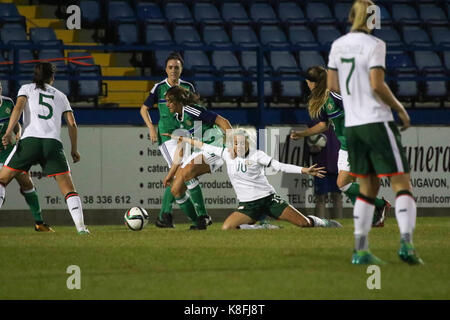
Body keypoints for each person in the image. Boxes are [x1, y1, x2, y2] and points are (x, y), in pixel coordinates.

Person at [327, 0, 422, 264]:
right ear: (373, 20)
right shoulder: (375, 45)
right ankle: (406, 246)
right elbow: (377, 84)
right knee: (401, 181)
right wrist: (400, 108)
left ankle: (361, 250)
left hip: (353, 127)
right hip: (376, 122)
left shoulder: (337, 46)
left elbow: (333, 85)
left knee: (368, 186)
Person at [163, 128, 342, 230]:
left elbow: (279, 166)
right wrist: (181, 138)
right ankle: (260, 226)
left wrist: (304, 170)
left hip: (269, 199)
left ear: (248, 143)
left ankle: (323, 222)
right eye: (236, 143)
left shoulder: (257, 155)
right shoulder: (226, 154)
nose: (239, 146)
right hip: (248, 205)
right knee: (227, 228)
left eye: (242, 142)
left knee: (304, 224)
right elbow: (202, 145)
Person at [291, 66, 390, 226]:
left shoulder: (335, 94)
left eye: (308, 82)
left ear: (313, 83)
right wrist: (302, 134)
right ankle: (374, 218)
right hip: (345, 146)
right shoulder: (323, 100)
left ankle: (380, 205)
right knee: (345, 185)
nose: (307, 85)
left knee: (342, 184)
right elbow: (323, 125)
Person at [0, 62, 89, 235]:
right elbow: (72, 124)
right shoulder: (61, 96)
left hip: (29, 142)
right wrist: (74, 149)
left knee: (2, 180)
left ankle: (40, 222)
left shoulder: (26, 89)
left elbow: (17, 109)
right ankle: (81, 228)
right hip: (52, 144)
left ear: (35, 76)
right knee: (69, 189)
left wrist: (9, 131)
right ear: (52, 78)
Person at [140, 52, 209, 228]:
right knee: (181, 173)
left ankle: (166, 216)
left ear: (181, 69)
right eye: (170, 67)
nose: (173, 70)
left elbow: (198, 113)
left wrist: (199, 138)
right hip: (167, 136)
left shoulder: (187, 86)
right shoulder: (159, 87)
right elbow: (143, 109)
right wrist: (151, 127)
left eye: (176, 67)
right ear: (165, 69)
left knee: (182, 174)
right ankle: (199, 216)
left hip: (185, 136)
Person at [162, 85, 232, 230]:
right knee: (176, 189)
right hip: (200, 150)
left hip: (215, 146)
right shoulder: (178, 119)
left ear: (178, 101)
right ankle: (199, 221)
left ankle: (203, 217)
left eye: (170, 101)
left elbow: (222, 121)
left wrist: (234, 143)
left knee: (188, 171)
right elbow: (180, 152)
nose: (167, 104)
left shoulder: (191, 110)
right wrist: (170, 174)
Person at [0, 82, 52, 232]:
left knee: (27, 184)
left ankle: (39, 223)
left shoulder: (8, 103)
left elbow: (17, 125)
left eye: (0, 86)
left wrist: (17, 133)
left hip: (11, 153)